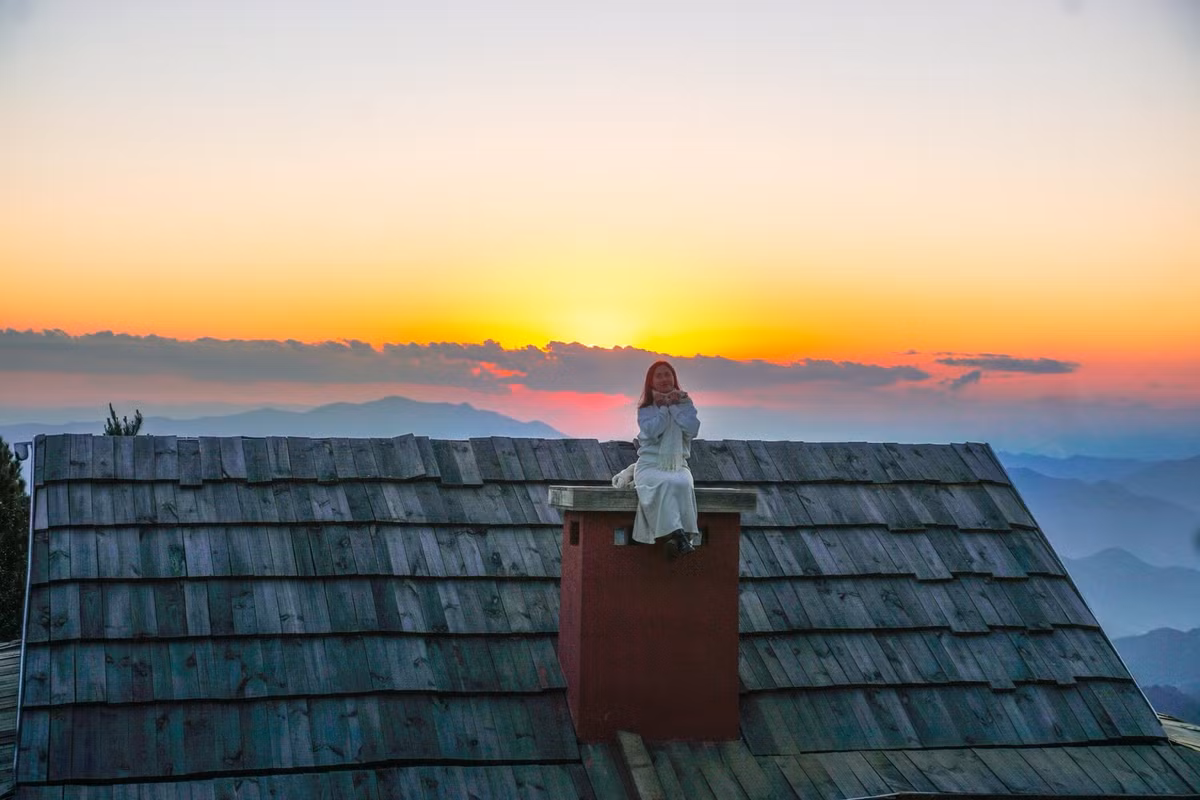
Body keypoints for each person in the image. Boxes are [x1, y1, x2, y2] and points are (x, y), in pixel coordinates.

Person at [633, 360, 700, 556]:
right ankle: (679, 536)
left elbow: (692, 429)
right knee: (664, 483)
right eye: (659, 376)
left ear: (674, 378)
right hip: (650, 465)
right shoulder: (645, 408)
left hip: (678, 464)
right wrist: (663, 409)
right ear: (651, 381)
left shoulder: (685, 404)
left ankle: (678, 536)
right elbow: (652, 431)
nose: (664, 379)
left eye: (667, 374)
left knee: (683, 482)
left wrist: (674, 408)